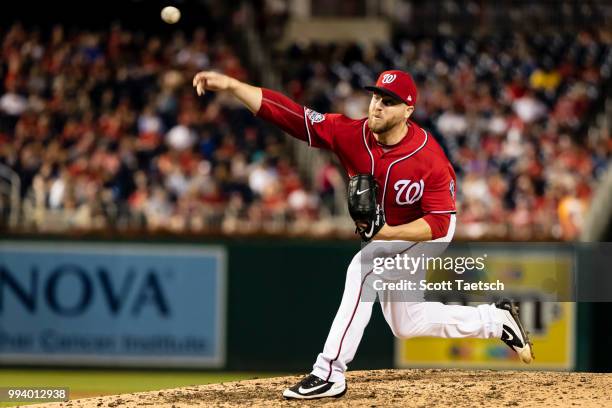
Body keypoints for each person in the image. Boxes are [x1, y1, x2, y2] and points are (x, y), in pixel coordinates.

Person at [193, 69, 534, 400]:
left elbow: (440, 223)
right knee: (407, 323)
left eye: (389, 101)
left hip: (426, 231)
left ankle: (329, 372)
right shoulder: (349, 132)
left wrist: (387, 234)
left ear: (408, 110)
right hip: (392, 233)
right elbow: (293, 116)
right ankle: (494, 320)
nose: (377, 105)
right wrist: (233, 85)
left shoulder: (429, 158)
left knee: (364, 268)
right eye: (375, 97)